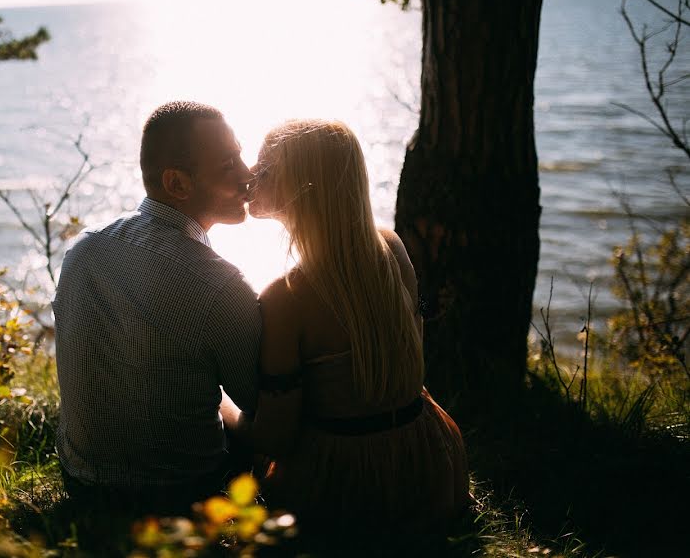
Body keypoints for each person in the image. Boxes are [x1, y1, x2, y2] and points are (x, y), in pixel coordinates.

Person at [221, 119, 469, 539]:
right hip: (426, 463)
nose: (249, 175)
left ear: (302, 187)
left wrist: (221, 407)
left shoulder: (285, 299)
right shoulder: (391, 247)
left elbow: (275, 439)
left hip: (344, 485)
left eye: (264, 169)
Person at [54, 101, 260, 516]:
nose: (248, 174)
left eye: (241, 155)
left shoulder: (84, 250)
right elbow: (266, 406)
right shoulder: (218, 284)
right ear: (177, 183)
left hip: (82, 482)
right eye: (228, 165)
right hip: (181, 493)